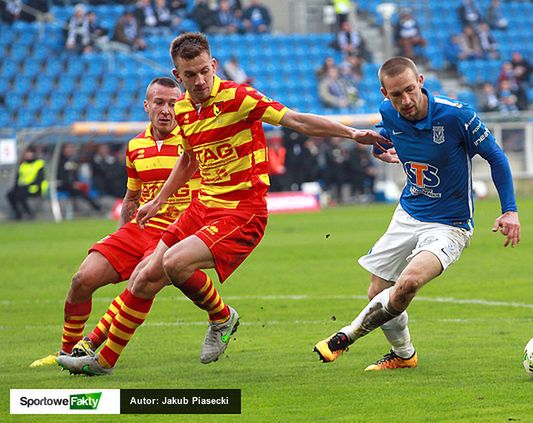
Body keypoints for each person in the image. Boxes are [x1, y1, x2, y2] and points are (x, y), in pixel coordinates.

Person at [56, 32, 389, 376]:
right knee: (143, 276)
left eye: (204, 71)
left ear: (213, 65)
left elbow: (298, 120)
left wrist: (352, 134)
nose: (199, 81)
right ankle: (103, 360)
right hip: (202, 207)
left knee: (172, 263)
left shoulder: (239, 98)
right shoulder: (183, 109)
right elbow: (188, 159)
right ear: (178, 76)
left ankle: (222, 318)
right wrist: (158, 200)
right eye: (190, 75)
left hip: (243, 211)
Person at [313, 57, 520, 371]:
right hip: (408, 213)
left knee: (408, 283)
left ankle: (347, 335)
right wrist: (379, 147)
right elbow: (389, 135)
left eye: (410, 90)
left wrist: (510, 211)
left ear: (421, 81)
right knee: (378, 292)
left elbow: (497, 158)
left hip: (450, 224)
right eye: (396, 95)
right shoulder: (388, 113)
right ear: (385, 93)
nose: (405, 100)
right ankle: (404, 355)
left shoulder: (457, 116)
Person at [30, 77, 200, 368]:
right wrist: (122, 233)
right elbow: (132, 197)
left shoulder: (194, 141)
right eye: (159, 102)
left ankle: (96, 350)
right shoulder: (135, 146)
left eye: (173, 103)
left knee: (139, 284)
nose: (166, 110)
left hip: (177, 234)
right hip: (140, 229)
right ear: (147, 105)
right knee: (81, 280)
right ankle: (67, 353)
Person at [6, 146, 46, 220]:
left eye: (30, 152)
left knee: (21, 194)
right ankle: (18, 214)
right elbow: (17, 178)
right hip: (23, 188)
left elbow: (40, 179)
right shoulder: (22, 165)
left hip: (35, 188)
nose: (29, 154)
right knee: (10, 194)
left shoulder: (39, 163)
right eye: (27, 153)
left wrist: (27, 185)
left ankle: (29, 213)